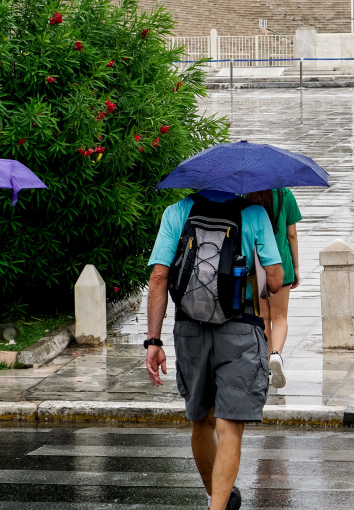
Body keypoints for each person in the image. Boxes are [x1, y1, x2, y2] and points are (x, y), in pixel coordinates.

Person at [144, 189, 284, 510]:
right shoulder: (253, 214)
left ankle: (214, 497)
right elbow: (275, 281)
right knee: (229, 426)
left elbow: (159, 278)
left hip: (189, 330)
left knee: (200, 421)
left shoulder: (177, 212)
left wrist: (153, 341)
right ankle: (218, 507)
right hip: (240, 328)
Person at [244, 188, 302, 389]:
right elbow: (292, 234)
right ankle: (276, 355)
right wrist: (295, 267)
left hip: (257, 265)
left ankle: (265, 363)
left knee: (263, 317)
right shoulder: (285, 194)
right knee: (280, 317)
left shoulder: (247, 196)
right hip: (281, 265)